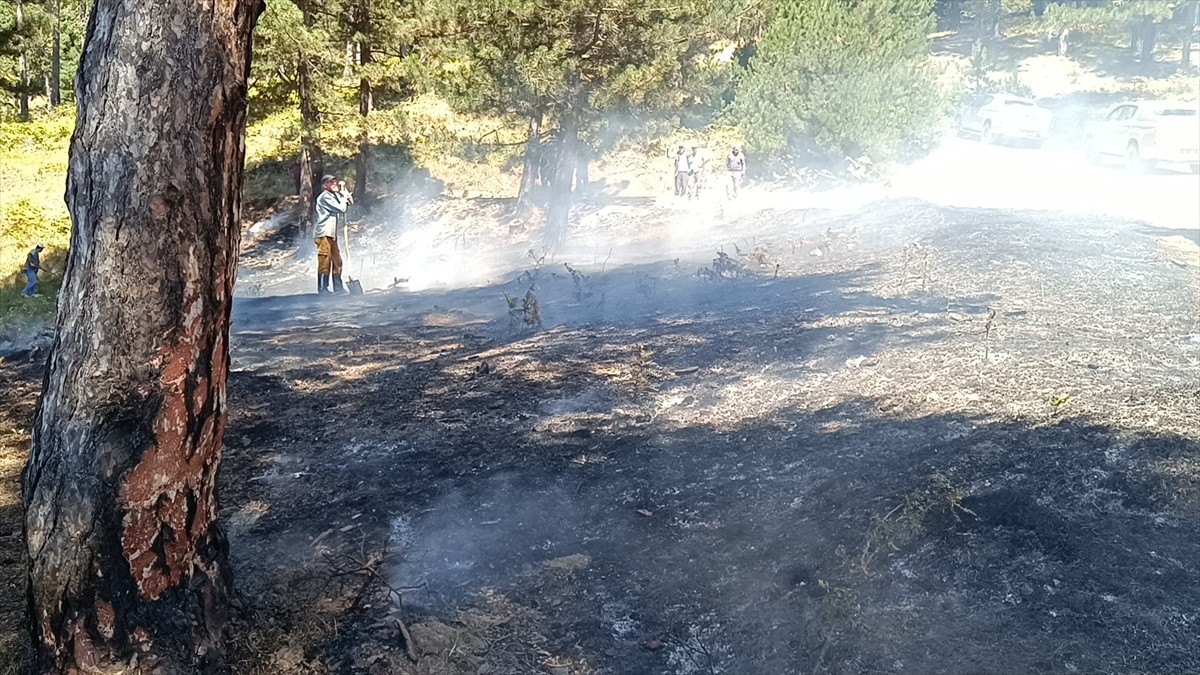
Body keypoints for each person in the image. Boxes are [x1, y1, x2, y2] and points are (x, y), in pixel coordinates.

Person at [313, 175, 352, 295]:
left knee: (337, 261)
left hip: (331, 234)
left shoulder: (334, 196)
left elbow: (349, 203)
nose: (335, 184)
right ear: (325, 186)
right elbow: (341, 208)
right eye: (332, 183)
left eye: (335, 182)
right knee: (325, 260)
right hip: (323, 233)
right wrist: (343, 198)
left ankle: (338, 288)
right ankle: (323, 289)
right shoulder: (324, 197)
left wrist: (345, 194)